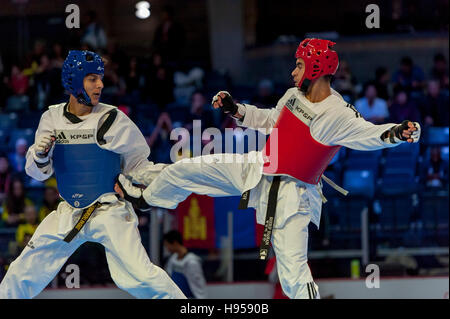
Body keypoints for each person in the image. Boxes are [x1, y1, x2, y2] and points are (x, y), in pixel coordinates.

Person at [115, 39, 421, 299]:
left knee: (292, 276)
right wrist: (237, 110)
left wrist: (395, 133)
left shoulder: (336, 113)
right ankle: (146, 197)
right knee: (187, 169)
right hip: (257, 167)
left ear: (315, 67)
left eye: (299, 65)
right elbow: (271, 120)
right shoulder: (292, 96)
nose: (293, 71)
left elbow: (366, 134)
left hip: (293, 194)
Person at [0, 50, 185, 299]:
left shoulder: (113, 119)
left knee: (141, 275)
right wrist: (40, 155)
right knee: (21, 273)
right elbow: (38, 173)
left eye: (100, 78)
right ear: (74, 81)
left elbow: (139, 164)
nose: (100, 84)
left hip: (109, 210)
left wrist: (162, 182)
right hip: (69, 211)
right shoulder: (52, 118)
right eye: (92, 79)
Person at [163, 230, 208, 299]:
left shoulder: (192, 262)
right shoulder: (172, 259)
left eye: (167, 245)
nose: (167, 248)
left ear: (175, 243)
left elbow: (198, 286)